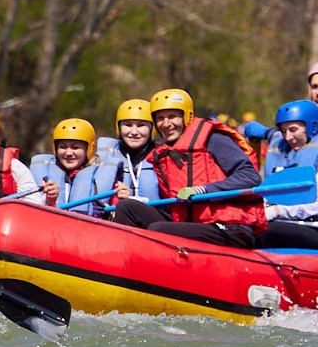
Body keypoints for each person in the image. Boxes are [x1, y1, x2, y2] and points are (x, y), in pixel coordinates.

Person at [111, 89, 264, 247]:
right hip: (192, 223)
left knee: (158, 229)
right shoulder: (164, 154)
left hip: (230, 228)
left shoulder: (214, 139)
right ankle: (123, 259)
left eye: (172, 117)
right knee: (126, 207)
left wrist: (203, 190)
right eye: (160, 118)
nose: (166, 124)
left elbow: (251, 177)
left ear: (187, 116)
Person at [251, 101, 318, 250]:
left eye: (293, 130)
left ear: (312, 127)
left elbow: (316, 204)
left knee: (265, 232)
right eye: (284, 131)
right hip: (292, 223)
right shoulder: (286, 155)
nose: (288, 137)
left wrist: (276, 211)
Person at [71, 99, 158, 217]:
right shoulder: (101, 157)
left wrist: (131, 199)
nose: (134, 132)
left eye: (141, 125)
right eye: (127, 125)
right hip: (113, 220)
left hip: (153, 219)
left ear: (152, 129)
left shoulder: (162, 158)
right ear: (119, 128)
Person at [31, 118, 98, 207]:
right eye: (63, 147)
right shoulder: (43, 171)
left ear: (89, 149)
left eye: (75, 147)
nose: (68, 153)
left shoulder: (99, 175)